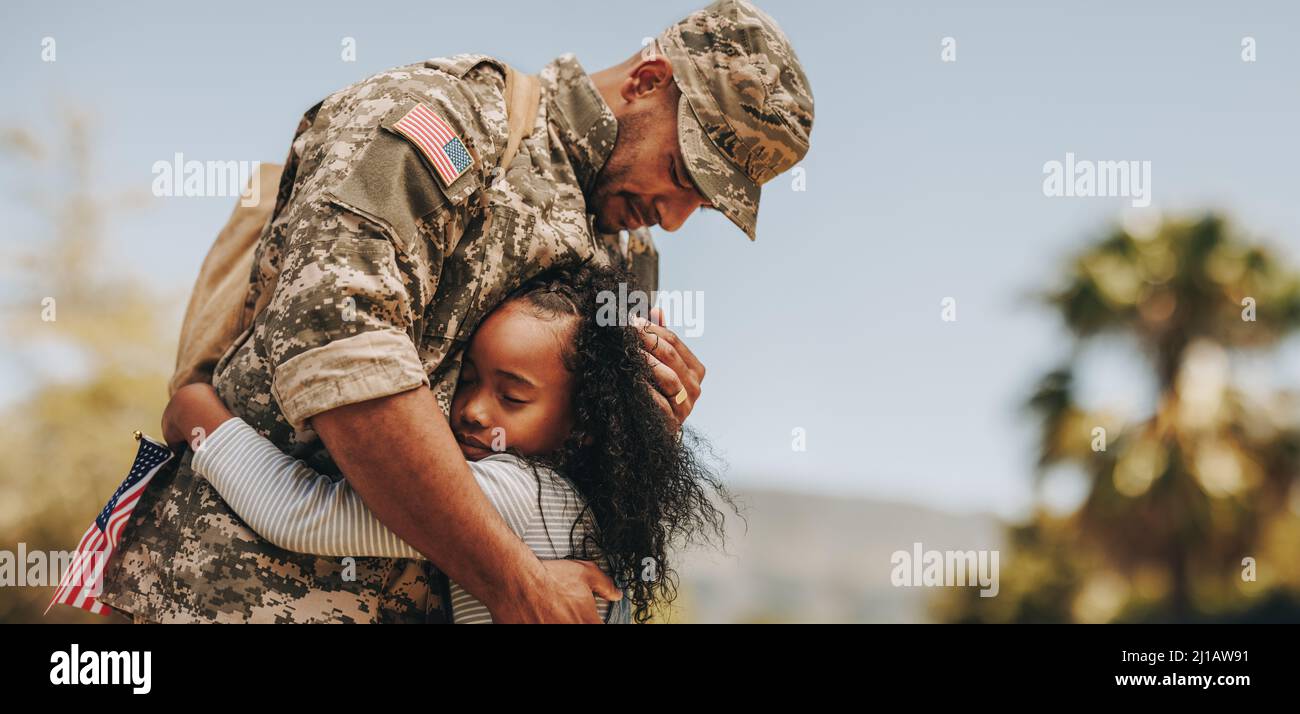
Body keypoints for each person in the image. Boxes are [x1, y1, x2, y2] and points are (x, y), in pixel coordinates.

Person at [99, 0, 813, 623]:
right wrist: (514, 583)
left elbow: (564, 484)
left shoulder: (625, 258)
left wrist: (644, 426)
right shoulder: (450, 121)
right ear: (648, 81)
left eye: (705, 202)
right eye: (684, 174)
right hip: (247, 597)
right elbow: (345, 357)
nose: (678, 217)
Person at [162, 265, 735, 624]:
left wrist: (198, 416)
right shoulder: (590, 501)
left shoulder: (515, 491)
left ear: (581, 424)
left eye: (512, 397)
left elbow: (301, 514)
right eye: (467, 380)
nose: (473, 410)